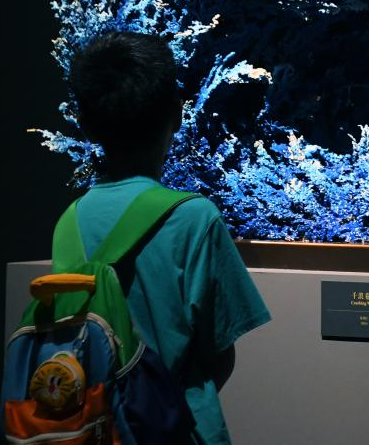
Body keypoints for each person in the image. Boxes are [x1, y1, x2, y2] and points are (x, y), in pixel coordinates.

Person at [66, 30, 271, 444]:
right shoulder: (194, 218)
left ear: (85, 124)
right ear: (176, 114)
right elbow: (220, 354)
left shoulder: (69, 223)